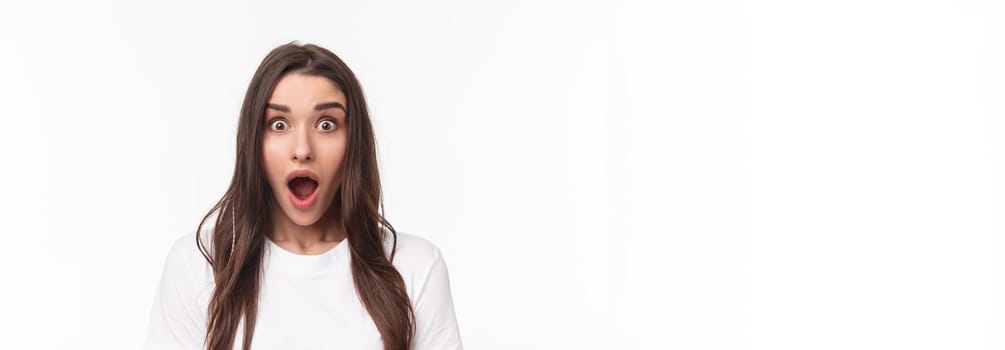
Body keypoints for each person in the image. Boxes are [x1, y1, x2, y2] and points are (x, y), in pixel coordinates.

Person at [145, 42, 463, 350]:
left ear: (354, 142)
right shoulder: (198, 264)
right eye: (279, 124)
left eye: (326, 124)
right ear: (253, 142)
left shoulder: (416, 266)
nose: (302, 150)